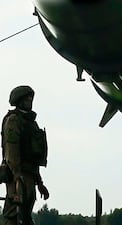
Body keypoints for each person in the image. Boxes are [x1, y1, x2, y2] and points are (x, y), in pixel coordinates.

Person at [1, 85, 50, 225]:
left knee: (26, 217)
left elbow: (33, 157)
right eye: (27, 99)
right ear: (19, 100)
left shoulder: (30, 123)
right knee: (14, 216)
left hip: (30, 177)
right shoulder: (14, 120)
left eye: (31, 99)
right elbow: (11, 151)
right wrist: (17, 176)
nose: (30, 101)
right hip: (18, 177)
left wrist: (39, 183)